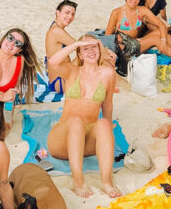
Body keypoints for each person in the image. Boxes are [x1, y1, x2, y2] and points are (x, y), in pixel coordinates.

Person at [46, 36, 121, 197]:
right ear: (79, 54)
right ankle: (78, 181)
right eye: (85, 49)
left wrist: (107, 132)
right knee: (76, 120)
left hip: (86, 141)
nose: (91, 51)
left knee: (103, 123)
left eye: (94, 47)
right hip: (61, 140)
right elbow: (53, 62)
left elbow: (107, 104)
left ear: (99, 50)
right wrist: (76, 44)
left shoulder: (108, 74)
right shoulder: (72, 71)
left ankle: (106, 181)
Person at [45, 0, 117, 92]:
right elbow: (81, 48)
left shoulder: (55, 27)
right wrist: (107, 54)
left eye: (73, 14)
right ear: (57, 12)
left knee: (94, 50)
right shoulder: (56, 31)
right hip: (61, 82)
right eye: (67, 13)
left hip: (57, 78)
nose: (70, 16)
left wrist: (105, 51)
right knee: (97, 56)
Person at [106, 0, 171, 62]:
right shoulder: (117, 12)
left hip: (136, 42)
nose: (134, 0)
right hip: (124, 48)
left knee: (160, 33)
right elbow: (107, 36)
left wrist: (163, 41)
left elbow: (161, 24)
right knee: (155, 40)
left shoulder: (142, 10)